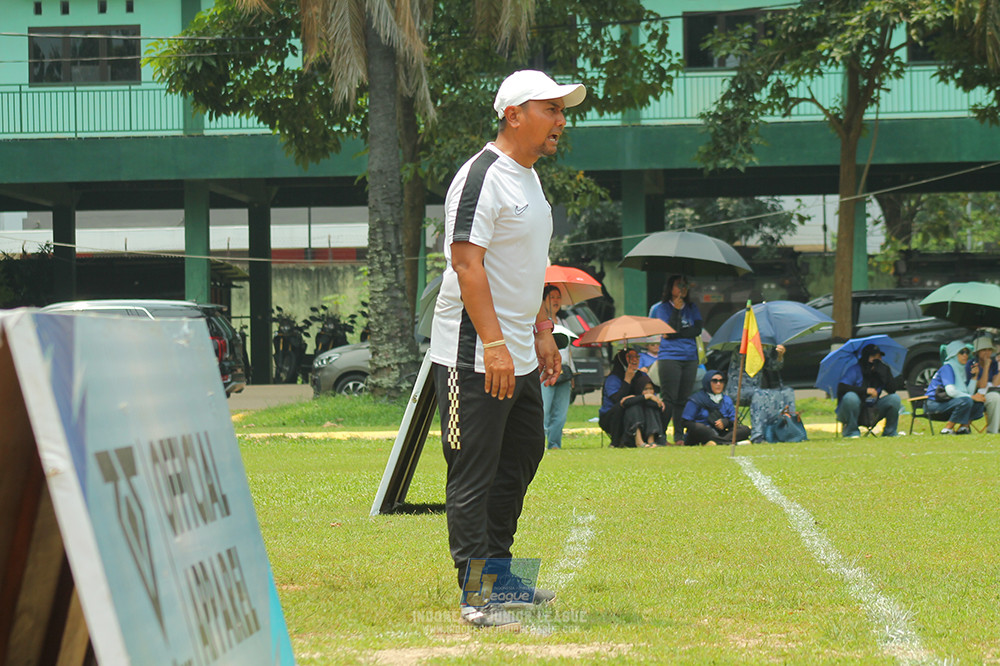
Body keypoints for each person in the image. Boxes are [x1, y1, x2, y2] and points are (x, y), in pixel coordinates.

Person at [428, 69, 585, 628]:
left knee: (522, 456)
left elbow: (527, 266)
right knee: (474, 470)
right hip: (474, 349)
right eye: (552, 110)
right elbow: (466, 263)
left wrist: (543, 328)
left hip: (518, 343)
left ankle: (499, 577)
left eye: (563, 111)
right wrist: (493, 343)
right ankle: (476, 597)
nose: (562, 121)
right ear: (513, 114)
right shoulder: (480, 177)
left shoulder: (530, 178)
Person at [651, 275, 703, 446]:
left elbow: (696, 330)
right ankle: (661, 435)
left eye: (685, 285)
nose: (683, 288)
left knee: (683, 398)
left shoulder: (692, 307)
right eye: (679, 285)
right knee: (669, 398)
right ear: (670, 288)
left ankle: (679, 436)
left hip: (690, 357)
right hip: (670, 357)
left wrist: (677, 333)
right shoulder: (662, 308)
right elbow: (667, 332)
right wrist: (677, 311)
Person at [725, 344, 797, 443]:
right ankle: (758, 436)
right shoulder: (741, 348)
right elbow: (752, 360)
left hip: (756, 391)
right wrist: (760, 347)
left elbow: (774, 367)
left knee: (787, 392)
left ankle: (790, 431)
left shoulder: (763, 349)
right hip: (737, 391)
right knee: (760, 394)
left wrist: (780, 355)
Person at [836, 343, 902, 438]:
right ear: (866, 357)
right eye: (873, 356)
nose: (877, 360)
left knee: (894, 398)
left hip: (872, 409)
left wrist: (885, 375)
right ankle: (851, 432)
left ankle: (890, 432)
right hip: (854, 408)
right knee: (850, 397)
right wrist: (865, 390)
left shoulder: (882, 370)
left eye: (879, 357)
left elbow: (892, 389)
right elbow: (842, 387)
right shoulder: (855, 369)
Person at [540, 284, 575, 450]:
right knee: (544, 409)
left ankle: (555, 444)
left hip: (564, 372)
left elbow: (569, 351)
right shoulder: (539, 323)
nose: (556, 300)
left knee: (560, 413)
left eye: (558, 297)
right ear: (543, 300)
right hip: (546, 370)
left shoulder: (564, 322)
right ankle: (540, 443)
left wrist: (572, 372)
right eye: (551, 297)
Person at [926, 340, 985, 434]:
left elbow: (967, 393)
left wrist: (975, 377)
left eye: (967, 352)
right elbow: (951, 392)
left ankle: (964, 428)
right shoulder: (947, 368)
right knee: (967, 400)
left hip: (950, 401)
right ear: (953, 354)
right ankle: (947, 429)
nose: (965, 355)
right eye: (962, 352)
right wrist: (972, 397)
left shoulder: (960, 369)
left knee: (978, 403)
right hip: (935, 403)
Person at [681, 371, 750, 446]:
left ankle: (717, 442)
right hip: (701, 433)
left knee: (745, 429)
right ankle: (730, 443)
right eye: (715, 381)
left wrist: (725, 422)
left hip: (721, 432)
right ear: (707, 382)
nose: (718, 384)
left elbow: (734, 421)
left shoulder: (726, 399)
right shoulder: (696, 399)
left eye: (721, 381)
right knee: (699, 428)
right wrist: (704, 426)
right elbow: (686, 422)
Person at [600, 348, 648, 447]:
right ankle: (617, 441)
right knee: (630, 406)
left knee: (663, 406)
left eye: (637, 357)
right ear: (622, 360)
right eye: (630, 357)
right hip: (612, 416)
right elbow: (617, 400)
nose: (634, 360)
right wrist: (627, 380)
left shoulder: (642, 375)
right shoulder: (613, 378)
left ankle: (656, 438)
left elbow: (649, 393)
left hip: (639, 411)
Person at [620, 373, 667, 447]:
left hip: (650, 430)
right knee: (634, 407)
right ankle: (639, 441)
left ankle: (651, 440)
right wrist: (645, 397)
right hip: (631, 435)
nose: (649, 392)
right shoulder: (634, 399)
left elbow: (659, 406)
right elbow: (626, 403)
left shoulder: (654, 402)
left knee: (651, 409)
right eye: (645, 389)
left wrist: (649, 398)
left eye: (651, 389)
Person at [967, 334, 1000, 434]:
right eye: (984, 350)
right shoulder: (972, 364)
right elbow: (981, 385)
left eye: (989, 350)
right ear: (978, 352)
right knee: (995, 398)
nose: (987, 353)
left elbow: (995, 383)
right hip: (978, 395)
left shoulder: (994, 363)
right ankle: (993, 431)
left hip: (991, 391)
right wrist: (986, 366)